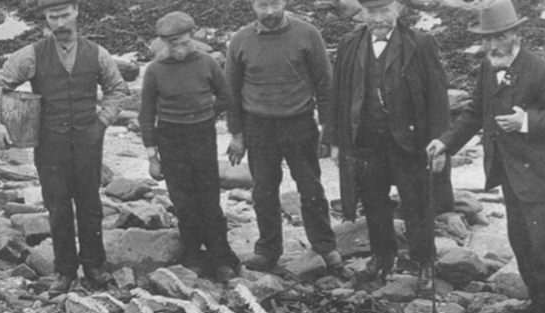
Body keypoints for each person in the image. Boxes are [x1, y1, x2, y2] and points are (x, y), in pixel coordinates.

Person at [427, 0, 545, 313]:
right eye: (487, 39)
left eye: (499, 37)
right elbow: (474, 112)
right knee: (522, 246)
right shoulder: (487, 66)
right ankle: (537, 303)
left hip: (541, 180)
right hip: (509, 176)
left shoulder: (541, 70)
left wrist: (526, 122)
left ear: (515, 33)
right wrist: (446, 143)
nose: (492, 45)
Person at [0, 0, 125, 296]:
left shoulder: (98, 53)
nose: (60, 23)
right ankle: (64, 272)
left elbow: (117, 90)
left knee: (90, 206)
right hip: (50, 144)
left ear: (76, 11)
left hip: (89, 141)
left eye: (64, 15)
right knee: (58, 207)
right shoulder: (32, 54)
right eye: (53, 17)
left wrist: (101, 123)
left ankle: (95, 267)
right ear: (45, 19)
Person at [322, 0, 450, 282]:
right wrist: (334, 141)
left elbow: (438, 97)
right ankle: (382, 256)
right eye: (372, 12)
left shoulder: (420, 42)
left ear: (397, 10)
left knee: (416, 203)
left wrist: (442, 143)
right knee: (372, 202)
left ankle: (424, 259)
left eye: (384, 11)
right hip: (366, 141)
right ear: (362, 13)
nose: (378, 19)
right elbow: (338, 95)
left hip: (410, 141)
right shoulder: (349, 44)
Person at [225, 0, 341, 272]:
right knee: (264, 191)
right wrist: (237, 135)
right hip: (258, 127)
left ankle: (325, 246)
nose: (269, 12)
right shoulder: (240, 40)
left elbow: (325, 82)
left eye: (274, 3)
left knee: (311, 188)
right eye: (262, 5)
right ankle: (267, 251)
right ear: (252, 5)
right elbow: (230, 91)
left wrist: (328, 128)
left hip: (299, 124)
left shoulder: (308, 33)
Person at [138, 12, 240, 282]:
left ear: (193, 36)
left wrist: (204, 113)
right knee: (183, 202)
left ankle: (221, 256)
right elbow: (146, 116)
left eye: (184, 42)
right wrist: (152, 156)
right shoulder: (155, 70)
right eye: (173, 45)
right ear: (163, 44)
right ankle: (193, 255)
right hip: (170, 139)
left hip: (202, 136)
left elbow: (227, 97)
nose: (180, 50)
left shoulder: (207, 62)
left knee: (209, 200)